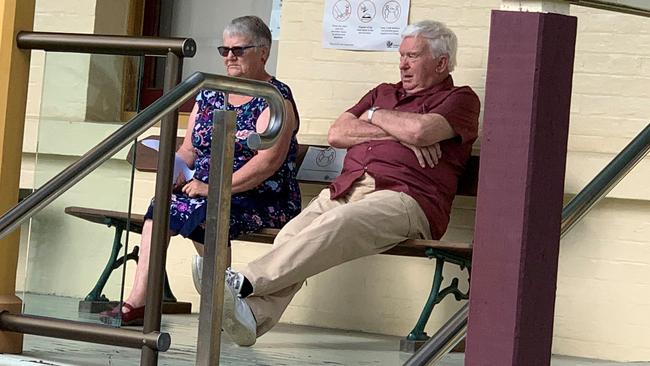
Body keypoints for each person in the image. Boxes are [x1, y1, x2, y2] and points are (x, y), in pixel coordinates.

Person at [220, 20, 480, 347]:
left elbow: (421, 133)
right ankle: (254, 317)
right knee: (291, 233)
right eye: (401, 55)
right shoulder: (382, 93)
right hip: (347, 188)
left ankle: (243, 281)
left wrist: (374, 117)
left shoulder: (461, 100)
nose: (402, 63)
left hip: (406, 199)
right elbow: (338, 133)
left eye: (413, 56)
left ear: (441, 63)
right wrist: (388, 123)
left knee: (337, 222)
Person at [100, 15, 301, 326]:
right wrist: (176, 170)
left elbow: (266, 164)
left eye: (238, 50)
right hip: (206, 189)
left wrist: (213, 187)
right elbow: (189, 149)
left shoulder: (275, 99)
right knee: (163, 204)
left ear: (263, 52)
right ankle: (139, 301)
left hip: (261, 196)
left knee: (206, 211)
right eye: (225, 50)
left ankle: (218, 305)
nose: (229, 57)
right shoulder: (211, 92)